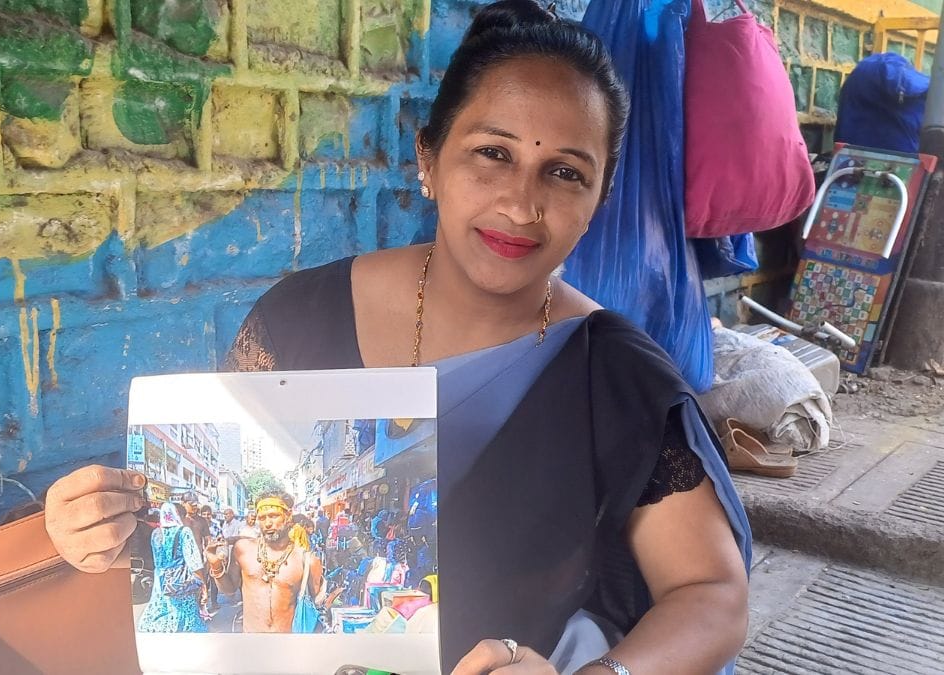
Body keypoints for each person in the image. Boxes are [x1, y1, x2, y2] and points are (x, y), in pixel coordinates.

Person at [44, 2, 749, 673]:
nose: (522, 203)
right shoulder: (298, 320)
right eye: (492, 154)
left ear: (599, 198)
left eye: (565, 172)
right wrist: (99, 527)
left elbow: (712, 595)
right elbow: (197, 503)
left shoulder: (616, 377)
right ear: (428, 160)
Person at [202, 490, 326, 633]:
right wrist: (216, 566)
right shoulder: (243, 550)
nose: (267, 523)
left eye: (274, 516)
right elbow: (229, 590)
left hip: (288, 646)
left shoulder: (307, 561)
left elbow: (317, 610)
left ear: (288, 516)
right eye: (262, 518)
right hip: (251, 644)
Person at [135, 503, 208, 633]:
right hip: (181, 584)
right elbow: (194, 563)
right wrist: (203, 586)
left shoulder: (156, 533)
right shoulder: (184, 532)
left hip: (161, 584)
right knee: (186, 621)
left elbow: (157, 561)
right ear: (178, 516)